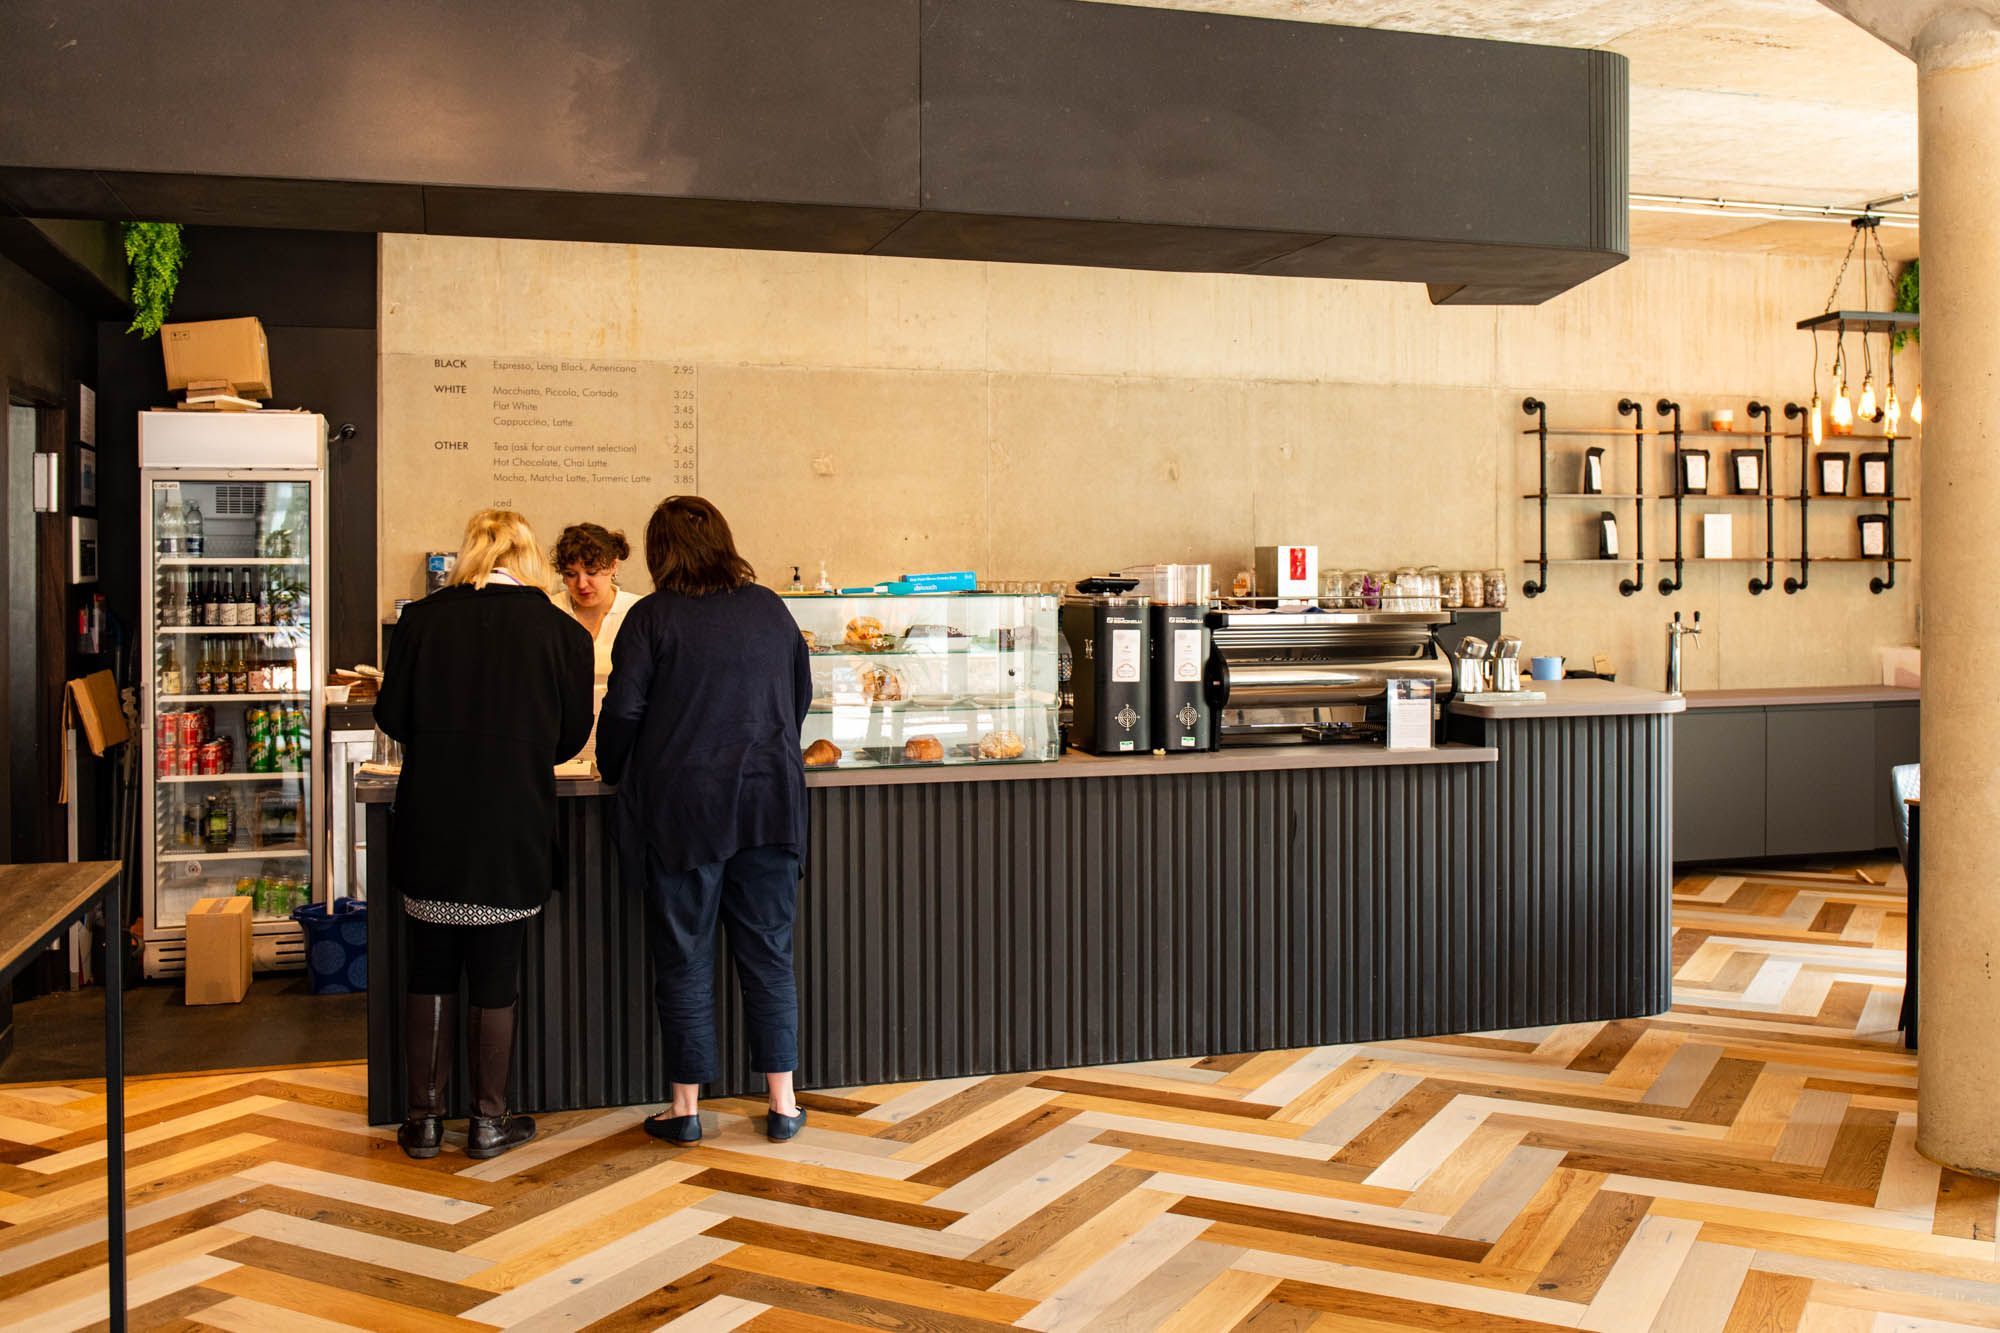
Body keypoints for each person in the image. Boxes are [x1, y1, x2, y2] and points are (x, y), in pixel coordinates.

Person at [376, 508, 594, 1160]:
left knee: (430, 968)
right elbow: (570, 738)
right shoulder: (561, 632)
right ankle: (489, 1121)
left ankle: (422, 1121)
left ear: (470, 552)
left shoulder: (421, 619)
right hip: (511, 827)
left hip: (432, 822)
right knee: (497, 973)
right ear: (528, 557)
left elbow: (392, 715)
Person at [597, 496, 813, 1144]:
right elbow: (798, 698)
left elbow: (625, 711)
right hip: (769, 802)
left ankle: (686, 1109)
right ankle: (782, 1103)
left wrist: (611, 766)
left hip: (685, 813)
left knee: (685, 956)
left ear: (660, 550)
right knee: (770, 953)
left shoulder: (651, 617)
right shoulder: (769, 608)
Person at [554, 522, 643, 681]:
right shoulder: (551, 609)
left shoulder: (638, 611)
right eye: (571, 574)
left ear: (613, 566)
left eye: (592, 572)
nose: (581, 584)